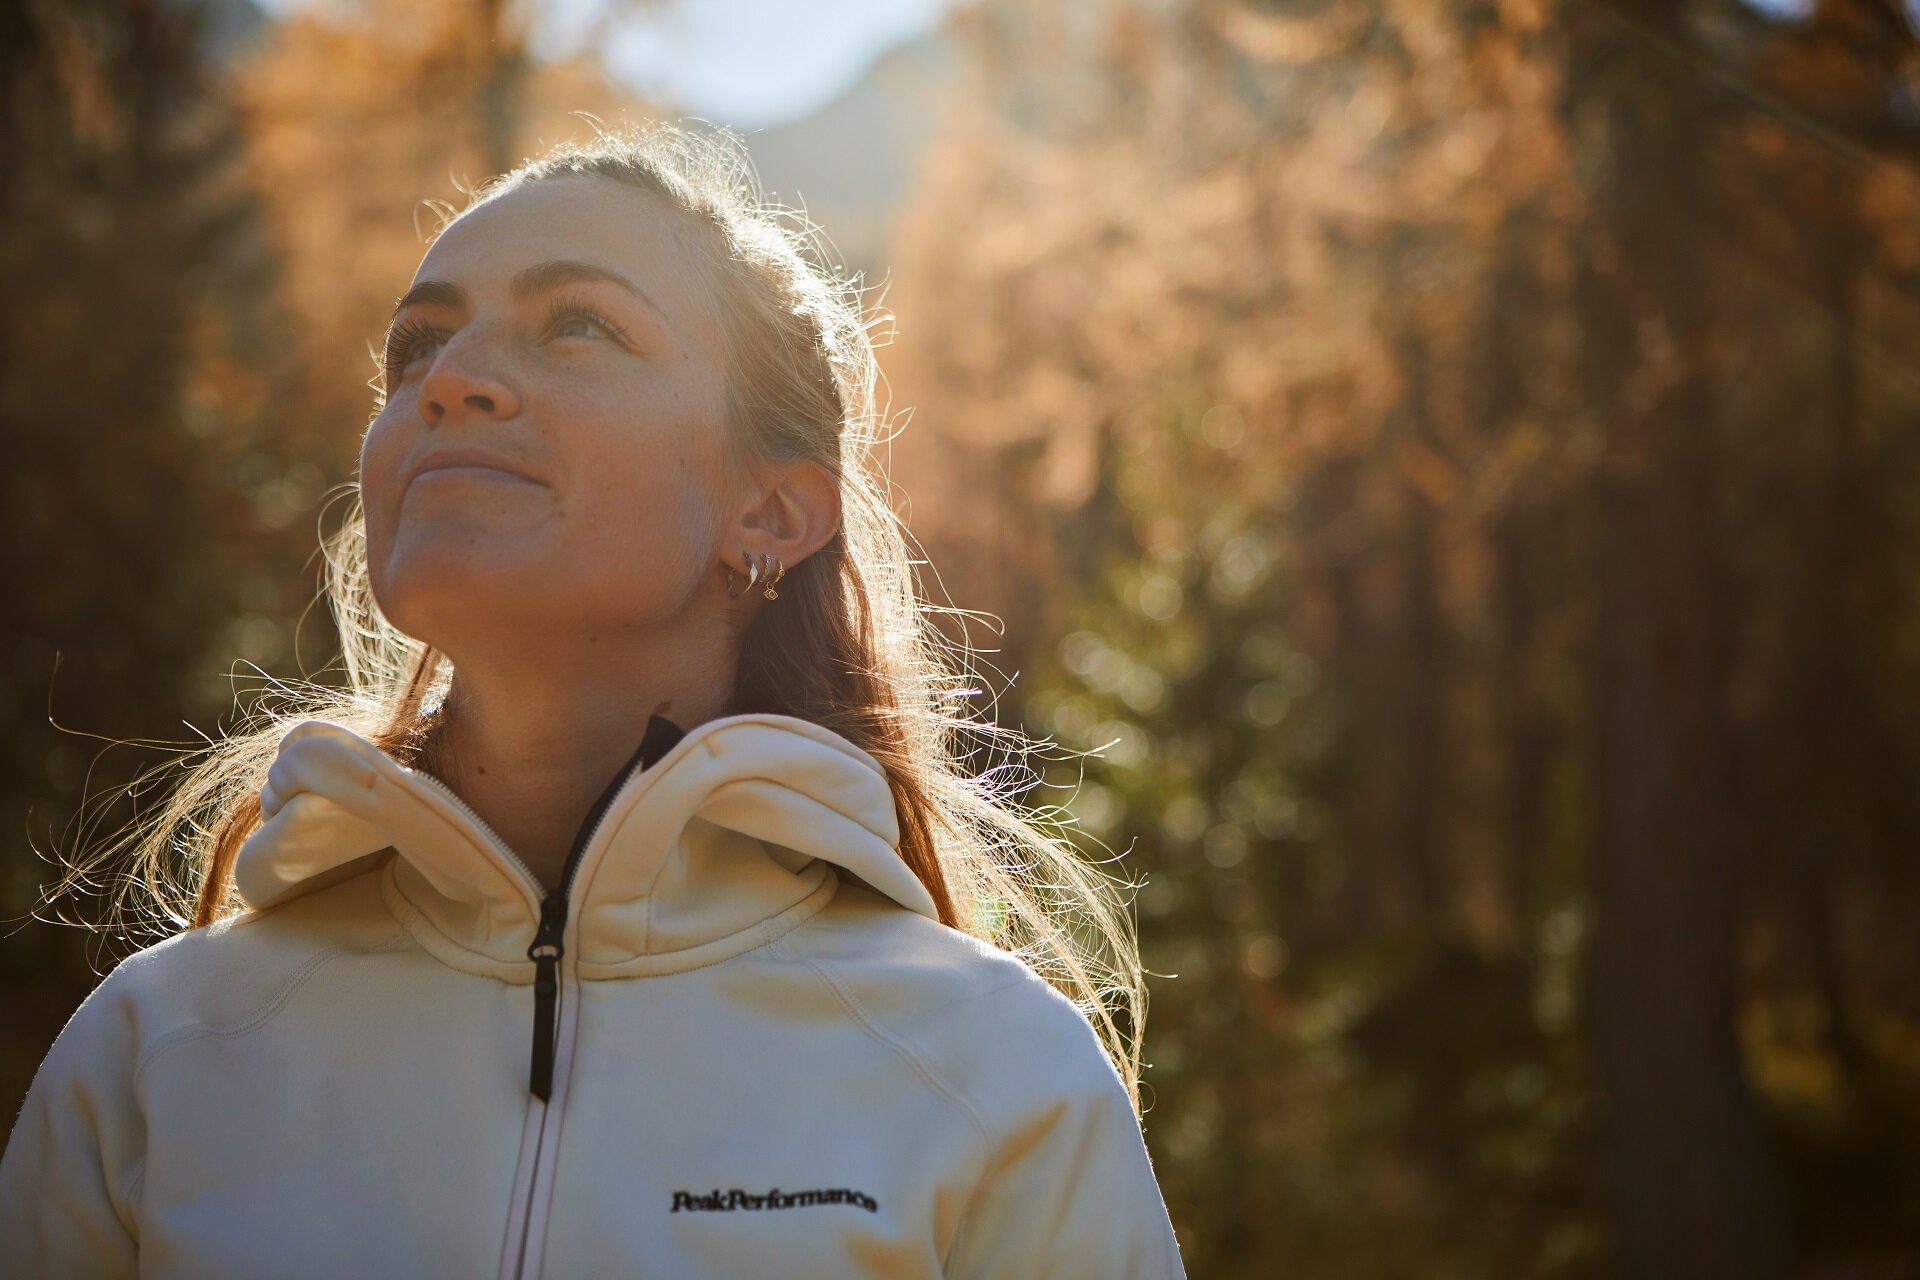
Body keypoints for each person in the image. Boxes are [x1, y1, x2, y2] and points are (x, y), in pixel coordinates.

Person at [0, 122, 1186, 1278]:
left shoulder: (996, 1072)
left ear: (770, 511)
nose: (450, 382)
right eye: (417, 345)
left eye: (579, 325)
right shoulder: (157, 1055)